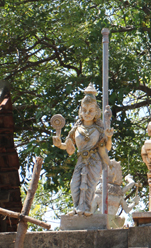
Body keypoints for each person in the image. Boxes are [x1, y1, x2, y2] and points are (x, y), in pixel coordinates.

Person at [52, 85, 113, 216]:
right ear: (80, 111)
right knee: (75, 185)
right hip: (81, 159)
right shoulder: (76, 128)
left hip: (94, 160)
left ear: (96, 112)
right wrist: (59, 144)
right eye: (84, 110)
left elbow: (106, 148)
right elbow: (69, 146)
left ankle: (87, 209)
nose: (87, 113)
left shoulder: (99, 129)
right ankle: (77, 208)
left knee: (90, 186)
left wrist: (109, 137)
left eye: (91, 111)